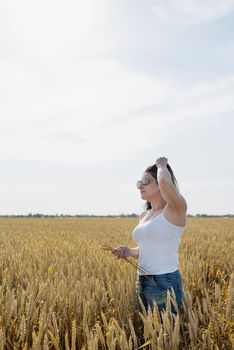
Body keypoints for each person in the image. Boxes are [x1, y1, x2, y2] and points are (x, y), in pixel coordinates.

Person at [112, 156, 187, 322]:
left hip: (164, 281)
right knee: (150, 332)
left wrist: (161, 165)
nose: (140, 186)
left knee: (165, 335)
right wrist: (129, 251)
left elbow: (167, 184)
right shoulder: (145, 215)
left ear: (160, 185)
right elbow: (149, 249)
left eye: (146, 181)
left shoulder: (175, 209)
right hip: (142, 279)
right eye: (139, 182)